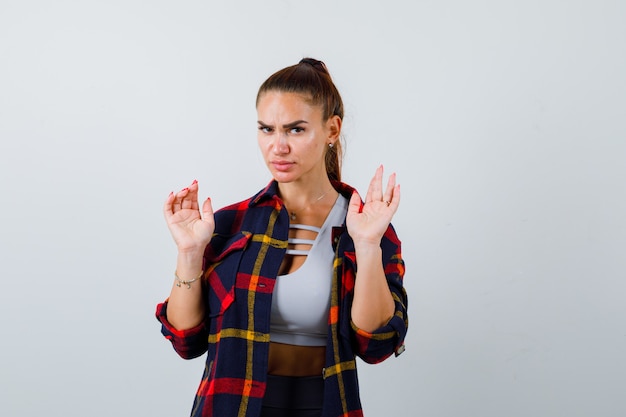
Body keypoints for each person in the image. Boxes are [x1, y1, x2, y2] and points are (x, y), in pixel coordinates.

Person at [156, 57, 408, 417]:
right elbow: (185, 340)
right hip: (229, 406)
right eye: (266, 129)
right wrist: (189, 252)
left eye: (295, 130)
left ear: (332, 130)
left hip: (322, 406)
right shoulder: (228, 224)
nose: (278, 146)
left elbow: (376, 345)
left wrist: (367, 247)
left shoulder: (366, 227)